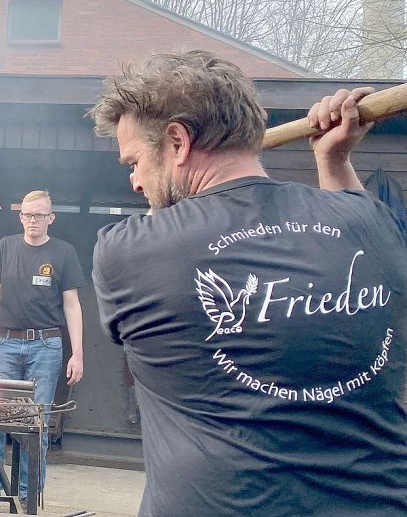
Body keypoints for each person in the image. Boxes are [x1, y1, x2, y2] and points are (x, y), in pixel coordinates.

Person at [89, 50, 406, 516]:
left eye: (134, 162)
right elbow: (348, 227)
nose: (135, 182)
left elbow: (174, 247)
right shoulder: (374, 224)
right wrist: (334, 160)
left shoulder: (125, 252)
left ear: (177, 141)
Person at [0, 189, 85, 507]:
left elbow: (72, 305)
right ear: (20, 216)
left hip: (46, 346)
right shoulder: (6, 247)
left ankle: (27, 496)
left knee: (36, 421)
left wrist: (77, 353)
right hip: (7, 343)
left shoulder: (64, 253)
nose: (32, 220)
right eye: (27, 214)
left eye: (39, 215)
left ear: (51, 218)